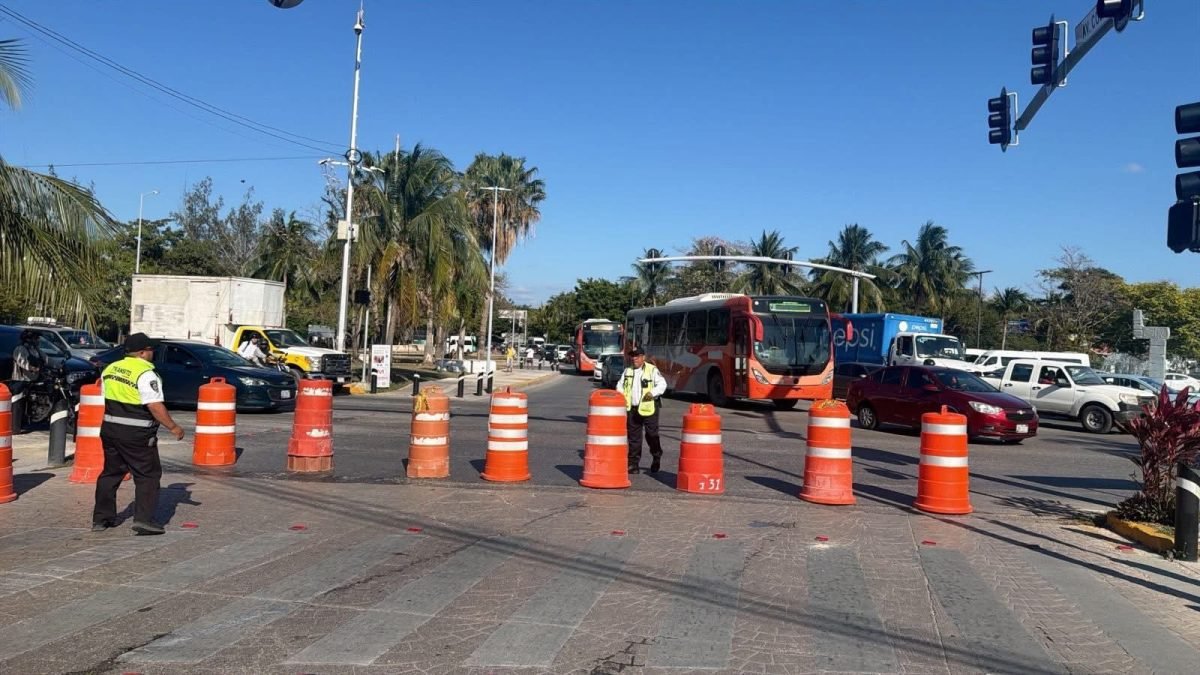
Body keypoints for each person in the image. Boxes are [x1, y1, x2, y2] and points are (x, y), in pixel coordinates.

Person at [92, 333, 185, 535]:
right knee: (148, 475)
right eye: (151, 350)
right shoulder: (146, 374)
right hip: (136, 434)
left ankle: (101, 519)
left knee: (111, 473)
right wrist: (173, 427)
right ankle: (144, 520)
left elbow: (106, 397)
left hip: (110, 430)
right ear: (142, 352)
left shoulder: (110, 369)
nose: (153, 353)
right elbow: (154, 405)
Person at [621, 347, 667, 474]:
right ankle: (633, 464)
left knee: (651, 435)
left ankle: (656, 455)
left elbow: (662, 384)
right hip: (632, 409)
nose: (634, 358)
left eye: (637, 356)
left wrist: (653, 393)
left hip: (649, 408)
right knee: (634, 438)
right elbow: (620, 386)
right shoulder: (627, 371)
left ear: (643, 357)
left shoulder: (652, 370)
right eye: (632, 356)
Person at [10, 329, 46, 434]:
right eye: (36, 338)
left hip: (32, 380)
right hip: (20, 380)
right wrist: (34, 368)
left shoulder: (36, 350)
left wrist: (59, 365)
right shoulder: (20, 349)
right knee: (18, 404)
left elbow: (47, 359)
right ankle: (15, 427)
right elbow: (22, 363)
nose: (38, 340)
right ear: (30, 339)